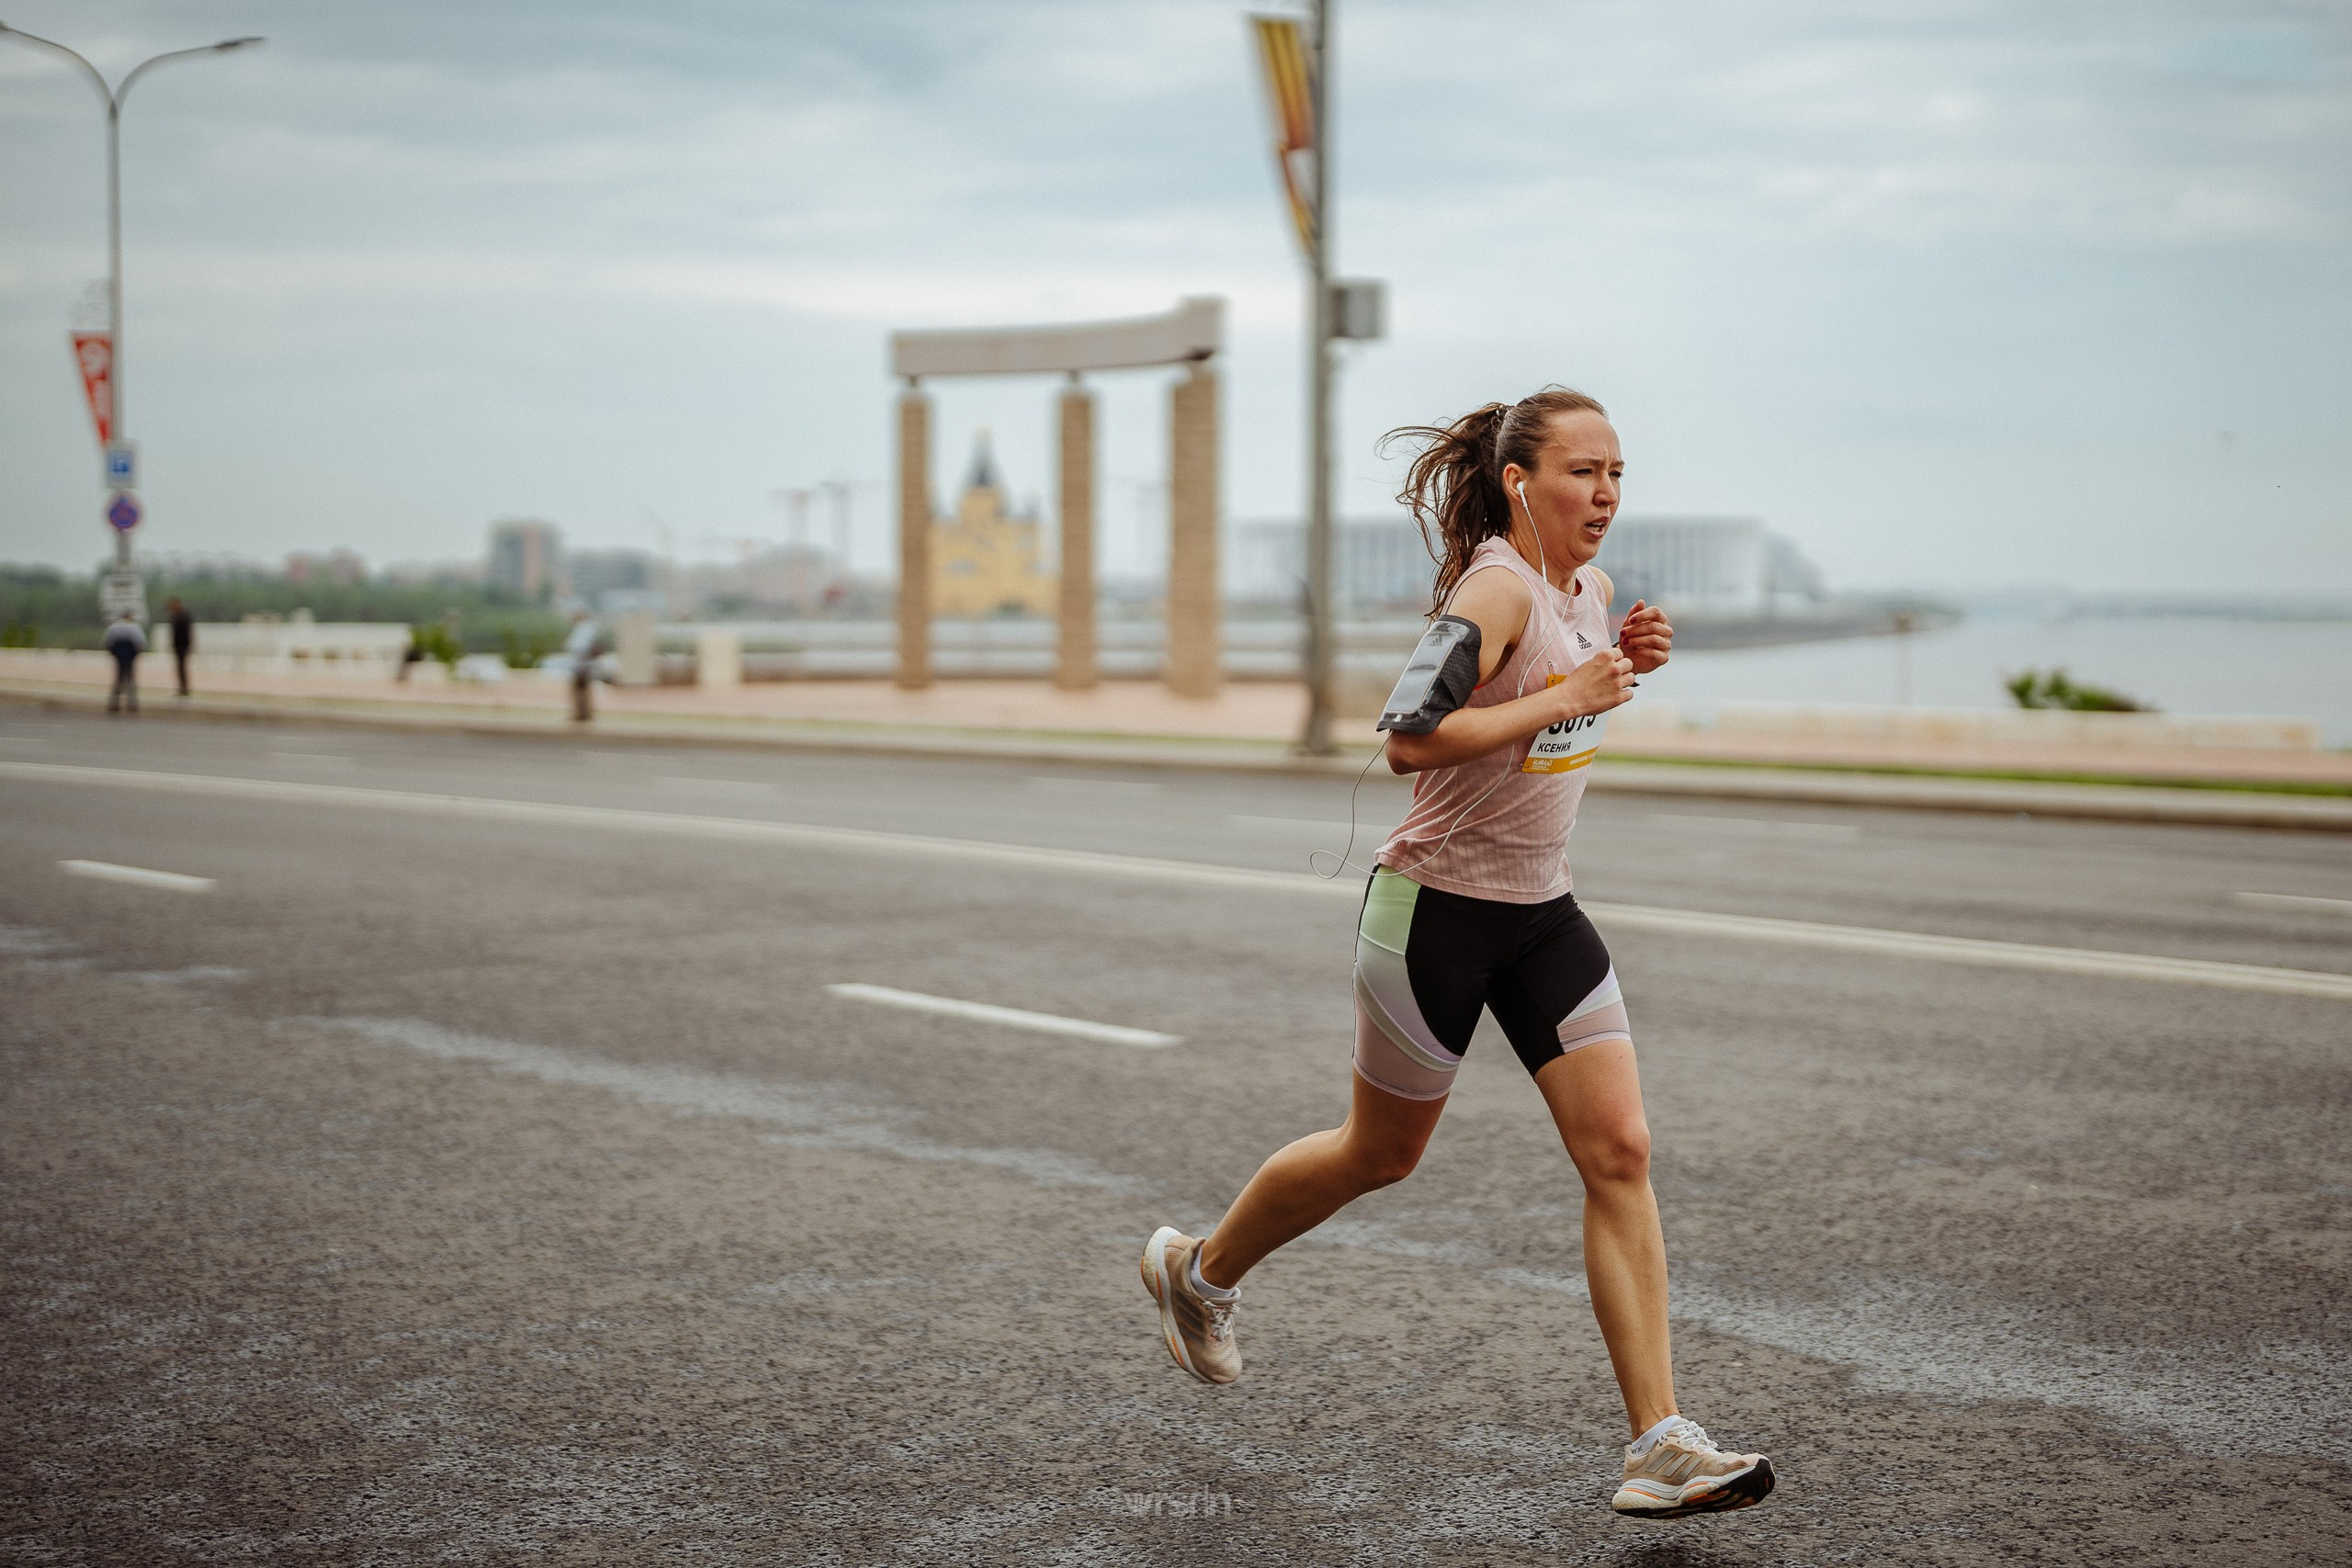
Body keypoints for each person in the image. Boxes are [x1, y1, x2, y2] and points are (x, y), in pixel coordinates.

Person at [1140, 389, 1777, 1521]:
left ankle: (1659, 1443)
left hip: (1542, 914)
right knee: (1379, 1155)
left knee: (1620, 1150)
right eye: (1582, 472)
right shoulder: (1495, 586)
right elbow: (1409, 737)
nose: (1605, 495)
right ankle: (1200, 1272)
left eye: (1617, 474)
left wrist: (1619, 661)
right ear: (1521, 481)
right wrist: (1569, 692)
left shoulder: (1583, 593)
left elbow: (1549, 709)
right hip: (1431, 912)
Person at [102, 609, 146, 716]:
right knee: (130, 680)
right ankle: (132, 704)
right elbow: (141, 642)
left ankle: (114, 703)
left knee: (118, 680)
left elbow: (107, 642)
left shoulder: (114, 627)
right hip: (130, 656)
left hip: (118, 656)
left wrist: (114, 653)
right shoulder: (134, 627)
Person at [564, 609, 603, 722]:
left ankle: (582, 713)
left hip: (582, 665)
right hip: (584, 664)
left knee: (580, 690)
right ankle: (584, 713)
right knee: (583, 690)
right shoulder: (589, 628)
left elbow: (580, 647)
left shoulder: (584, 629)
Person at [165, 596, 195, 698]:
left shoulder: (183, 616)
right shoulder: (174, 616)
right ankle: (182, 688)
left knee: (182, 667)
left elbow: (187, 631)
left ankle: (184, 688)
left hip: (183, 644)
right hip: (178, 645)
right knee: (180, 667)